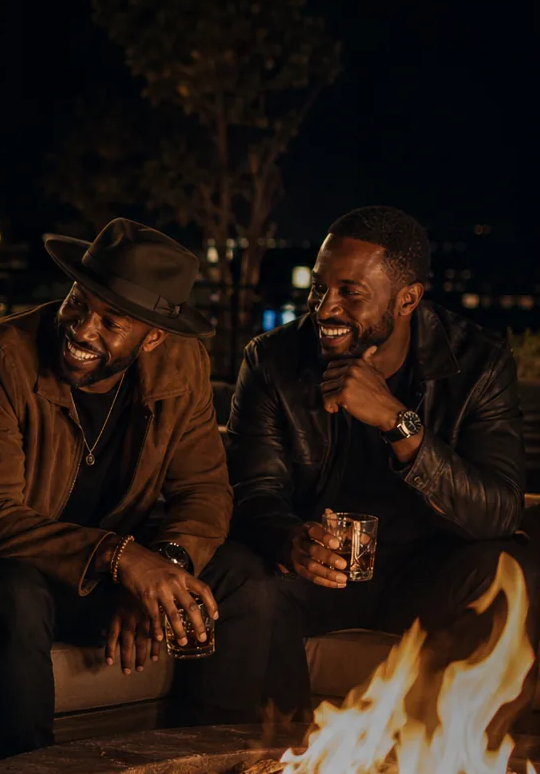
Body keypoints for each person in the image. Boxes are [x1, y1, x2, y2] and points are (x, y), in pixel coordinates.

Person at [187, 205, 536, 723]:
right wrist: (290, 540)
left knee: (514, 569)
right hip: (316, 578)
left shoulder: (478, 363)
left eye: (351, 292)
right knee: (241, 571)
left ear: (408, 298)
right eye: (319, 288)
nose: (326, 308)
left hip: (427, 574)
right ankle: (255, 762)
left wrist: (398, 422)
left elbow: (500, 512)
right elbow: (253, 492)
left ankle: (450, 771)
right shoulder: (273, 360)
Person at [0, 217, 232, 759]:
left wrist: (165, 566)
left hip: (119, 576)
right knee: (17, 595)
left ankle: (207, 768)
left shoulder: (183, 363)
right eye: (79, 302)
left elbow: (206, 492)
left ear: (154, 337)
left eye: (110, 321)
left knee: (245, 578)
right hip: (27, 572)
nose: (81, 328)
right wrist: (121, 559)